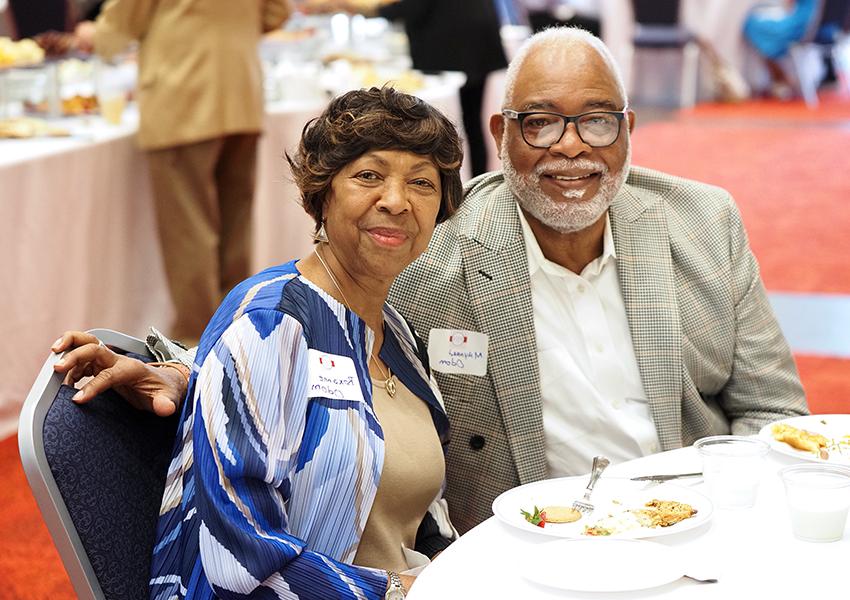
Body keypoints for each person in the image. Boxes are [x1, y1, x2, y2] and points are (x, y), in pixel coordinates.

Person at [55, 27, 808, 537]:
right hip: (533, 552)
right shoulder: (430, 249)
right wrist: (189, 373)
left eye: (597, 122)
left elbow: (774, 411)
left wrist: (723, 520)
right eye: (540, 122)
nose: (570, 149)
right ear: (500, 133)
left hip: (693, 529)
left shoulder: (703, 223)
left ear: (630, 129)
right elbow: (319, 327)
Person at [63, 87, 465, 599]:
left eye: (421, 183)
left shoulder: (394, 331)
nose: (395, 200)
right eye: (368, 175)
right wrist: (397, 590)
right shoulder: (271, 323)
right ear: (322, 193)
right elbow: (239, 556)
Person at [73, 0, 292, 345]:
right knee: (235, 230)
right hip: (241, 92)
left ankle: (195, 343)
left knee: (189, 232)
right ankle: (239, 333)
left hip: (182, 96)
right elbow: (276, 13)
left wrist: (92, 34)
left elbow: (120, 25)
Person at [342, 0, 507, 177]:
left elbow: (412, 7)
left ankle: (451, 187)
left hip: (453, 45)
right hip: (475, 36)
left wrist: (365, 8)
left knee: (443, 126)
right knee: (471, 119)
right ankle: (473, 180)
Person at [743, 0, 819, 98]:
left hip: (798, 26)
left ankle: (780, 78)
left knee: (753, 25)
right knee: (764, 31)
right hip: (810, 24)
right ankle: (780, 78)